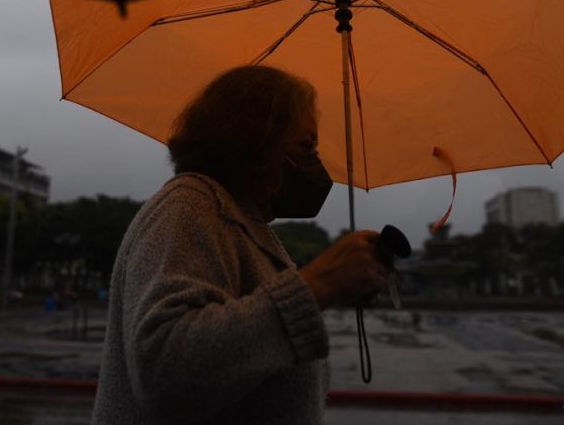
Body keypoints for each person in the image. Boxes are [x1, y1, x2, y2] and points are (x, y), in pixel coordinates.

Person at [92, 65, 388, 424]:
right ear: (256, 138)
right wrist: (317, 287)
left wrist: (335, 287)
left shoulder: (245, 225)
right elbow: (166, 371)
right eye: (306, 144)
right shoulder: (189, 207)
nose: (315, 161)